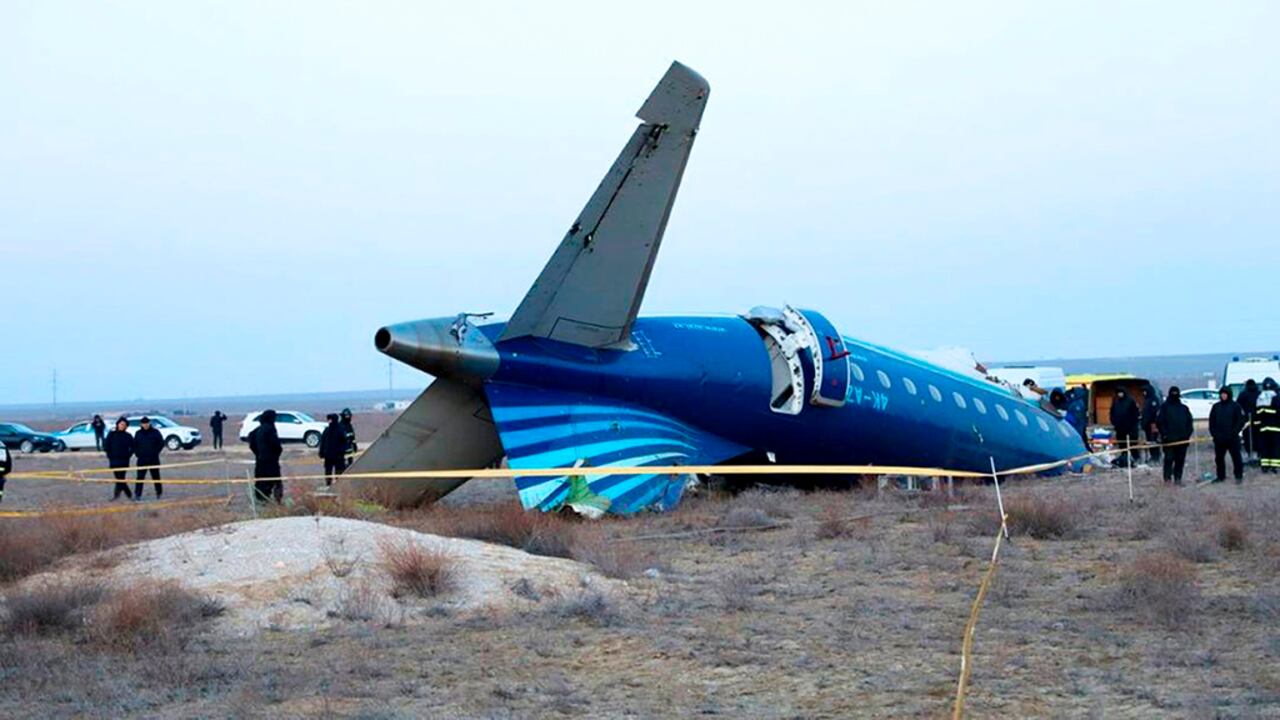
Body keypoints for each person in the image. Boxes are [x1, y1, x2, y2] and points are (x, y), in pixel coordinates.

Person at [1156, 387, 1194, 485]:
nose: (1174, 395)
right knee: (1168, 459)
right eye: (1173, 393)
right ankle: (1167, 479)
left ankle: (1178, 479)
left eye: (1176, 393)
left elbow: (1189, 423)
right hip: (1169, 440)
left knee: (1180, 460)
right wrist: (1164, 435)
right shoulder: (1164, 407)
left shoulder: (1184, 408)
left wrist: (1187, 435)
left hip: (1182, 440)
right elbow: (1160, 422)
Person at [1208, 387, 1246, 483]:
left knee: (1236, 458)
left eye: (1225, 394)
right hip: (1219, 438)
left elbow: (1240, 421)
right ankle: (1221, 476)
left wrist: (1234, 432)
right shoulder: (1216, 407)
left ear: (1229, 394)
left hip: (1232, 438)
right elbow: (1212, 422)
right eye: (1222, 394)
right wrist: (1215, 434)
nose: (1223, 396)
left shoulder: (1236, 406)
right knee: (1219, 458)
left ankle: (1238, 476)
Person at [248, 409, 284, 503]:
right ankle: (276, 501)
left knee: (261, 481)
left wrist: (258, 453)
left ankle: (261, 499)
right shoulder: (270, 429)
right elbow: (276, 445)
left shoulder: (258, 430)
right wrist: (276, 453)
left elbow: (251, 442)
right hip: (271, 461)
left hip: (260, 460)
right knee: (275, 481)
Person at [133, 417, 165, 500]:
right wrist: (137, 454)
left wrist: (155, 452)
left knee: (156, 477)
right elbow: (135, 445)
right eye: (143, 423)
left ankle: (159, 493)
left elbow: (161, 443)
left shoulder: (155, 432)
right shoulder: (138, 433)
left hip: (153, 459)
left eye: (147, 423)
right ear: (141, 424)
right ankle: (137, 494)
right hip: (142, 459)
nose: (145, 425)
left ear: (149, 423)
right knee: (140, 478)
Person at [103, 417, 134, 500]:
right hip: (114, 460)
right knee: (119, 478)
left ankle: (121, 495)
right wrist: (109, 455)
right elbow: (106, 445)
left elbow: (133, 447)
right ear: (117, 424)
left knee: (120, 478)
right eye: (121, 424)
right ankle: (126, 495)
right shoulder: (112, 434)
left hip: (124, 461)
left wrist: (128, 455)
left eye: (124, 425)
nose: (122, 426)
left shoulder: (128, 436)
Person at [1110, 387, 1140, 468]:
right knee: (1122, 445)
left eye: (1121, 392)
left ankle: (1136, 459)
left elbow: (1135, 414)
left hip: (1130, 429)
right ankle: (1124, 460)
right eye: (1118, 393)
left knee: (1132, 445)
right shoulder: (1115, 401)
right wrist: (1114, 422)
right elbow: (1112, 412)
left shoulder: (1130, 401)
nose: (1120, 394)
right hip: (1119, 428)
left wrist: (1132, 425)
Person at [319, 413, 347, 486]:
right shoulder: (327, 430)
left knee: (339, 471)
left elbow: (344, 442)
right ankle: (328, 484)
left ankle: (339, 485)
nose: (329, 421)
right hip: (328, 456)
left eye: (331, 419)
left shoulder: (340, 430)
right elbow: (322, 442)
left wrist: (341, 451)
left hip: (338, 456)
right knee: (328, 471)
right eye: (328, 420)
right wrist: (321, 452)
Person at [1256, 394, 1280, 474]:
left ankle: (1265, 466)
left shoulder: (1261, 397)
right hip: (1275, 428)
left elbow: (1258, 413)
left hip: (1264, 428)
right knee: (1274, 448)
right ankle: (1274, 467)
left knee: (1265, 447)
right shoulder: (1277, 398)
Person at [1238, 378, 1260, 461]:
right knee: (1257, 438)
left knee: (1247, 438)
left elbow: (1238, 406)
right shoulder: (1259, 394)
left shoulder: (1243, 394)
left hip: (1246, 420)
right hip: (1258, 420)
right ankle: (1257, 454)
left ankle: (1248, 454)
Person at [1140, 384, 1162, 463]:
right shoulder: (1147, 400)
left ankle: (1156, 456)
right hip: (1147, 425)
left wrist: (1153, 422)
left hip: (1153, 424)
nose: (1144, 393)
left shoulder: (1153, 400)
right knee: (1149, 441)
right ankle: (1152, 456)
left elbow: (1154, 413)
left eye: (1145, 391)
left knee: (1153, 441)